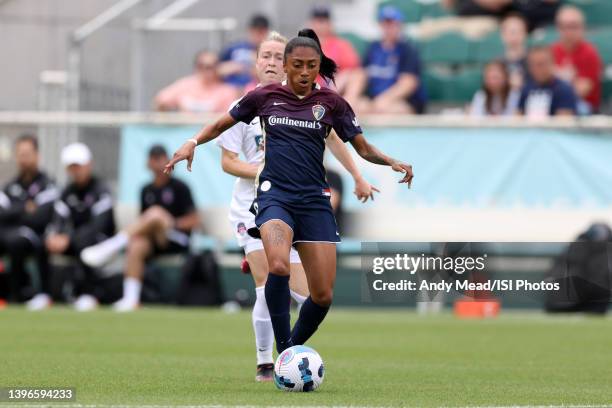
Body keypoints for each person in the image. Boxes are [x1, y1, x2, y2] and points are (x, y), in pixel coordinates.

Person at [165, 29, 413, 354]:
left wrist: (390, 161)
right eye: (298, 64)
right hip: (274, 197)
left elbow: (361, 147)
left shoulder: (331, 103)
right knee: (278, 267)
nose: (305, 71)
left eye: (312, 65)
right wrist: (192, 142)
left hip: (314, 202)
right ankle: (279, 354)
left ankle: (289, 351)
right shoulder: (263, 97)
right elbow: (220, 125)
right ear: (287, 64)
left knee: (321, 296)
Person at [215, 31, 378, 381]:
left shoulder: (309, 103)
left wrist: (357, 176)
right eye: (267, 56)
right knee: (268, 279)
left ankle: (289, 352)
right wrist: (264, 169)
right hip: (253, 204)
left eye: (278, 56)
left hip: (297, 202)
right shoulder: (248, 104)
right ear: (258, 62)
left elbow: (334, 138)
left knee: (308, 294)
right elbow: (227, 161)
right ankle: (265, 362)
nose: (273, 62)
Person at [79, 145, 200, 312]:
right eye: (153, 160)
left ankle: (112, 245)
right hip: (154, 240)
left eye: (161, 159)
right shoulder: (146, 190)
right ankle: (131, 299)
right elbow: (144, 222)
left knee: (156, 214)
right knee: (137, 244)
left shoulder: (180, 187)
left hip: (175, 238)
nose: (158, 164)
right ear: (148, 164)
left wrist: (169, 222)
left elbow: (194, 220)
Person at [45, 143, 116, 311]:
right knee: (43, 242)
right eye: (72, 167)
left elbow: (98, 226)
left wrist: (68, 238)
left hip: (102, 242)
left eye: (78, 166)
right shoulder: (67, 192)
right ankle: (46, 294)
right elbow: (58, 220)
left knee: (84, 242)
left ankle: (88, 294)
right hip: (73, 240)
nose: (76, 171)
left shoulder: (101, 190)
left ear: (88, 165)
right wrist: (54, 236)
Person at [0, 134, 58, 309]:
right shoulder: (10, 186)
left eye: (27, 154)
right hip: (7, 232)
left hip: (35, 237)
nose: (24, 159)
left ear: (37, 155)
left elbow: (40, 218)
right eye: (20, 154)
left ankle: (18, 295)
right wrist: (25, 206)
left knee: (17, 241)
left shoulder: (47, 184)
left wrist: (13, 210)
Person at [345, 5, 427, 114]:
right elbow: (361, 74)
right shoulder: (373, 47)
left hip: (403, 101)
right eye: (386, 24)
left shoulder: (407, 49)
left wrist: (384, 99)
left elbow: (408, 83)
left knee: (385, 109)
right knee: (357, 106)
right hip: (374, 99)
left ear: (400, 25)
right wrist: (351, 98)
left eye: (392, 24)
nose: (389, 28)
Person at [552, 6, 603, 114]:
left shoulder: (590, 53)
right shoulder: (552, 51)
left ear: (582, 28)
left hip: (583, 107)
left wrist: (559, 76)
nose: (569, 31)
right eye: (564, 26)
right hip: (555, 104)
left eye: (574, 26)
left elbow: (582, 91)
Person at [154, 50, 239, 113]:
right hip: (183, 133)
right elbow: (161, 100)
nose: (206, 71)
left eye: (210, 67)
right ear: (196, 67)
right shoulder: (185, 85)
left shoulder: (227, 91)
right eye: (201, 66)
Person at [308, 5, 361, 96]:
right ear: (311, 23)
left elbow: (353, 69)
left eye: (323, 21)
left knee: (358, 75)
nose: (321, 25)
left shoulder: (341, 44)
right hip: (310, 90)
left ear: (330, 23)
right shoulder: (302, 45)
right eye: (318, 21)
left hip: (335, 89)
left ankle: (346, 105)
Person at [519, 46, 577, 118]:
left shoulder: (564, 90)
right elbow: (518, 118)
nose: (537, 69)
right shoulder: (526, 89)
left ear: (552, 63)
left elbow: (564, 122)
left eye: (541, 64)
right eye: (533, 65)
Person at [218, 14, 270, 90]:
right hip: (231, 89)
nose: (257, 35)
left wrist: (248, 69)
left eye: (261, 32)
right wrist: (233, 67)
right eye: (255, 31)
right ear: (249, 30)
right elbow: (216, 69)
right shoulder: (235, 48)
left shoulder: (270, 52)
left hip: (255, 90)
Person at [500, 13, 529, 90]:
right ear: (502, 35)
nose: (515, 36)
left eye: (519, 32)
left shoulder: (533, 61)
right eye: (511, 32)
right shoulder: (498, 64)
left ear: (525, 34)